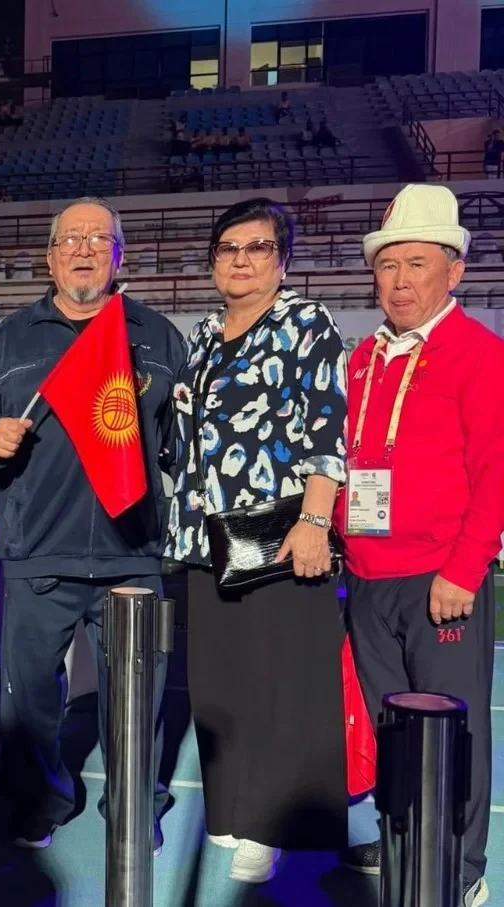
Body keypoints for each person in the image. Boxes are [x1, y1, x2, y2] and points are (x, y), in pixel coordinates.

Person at [0, 197, 186, 850]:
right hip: (38, 551)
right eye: (71, 239)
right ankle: (36, 804)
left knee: (137, 696)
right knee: (27, 698)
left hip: (131, 549)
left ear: (119, 255)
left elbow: (185, 439)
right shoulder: (10, 336)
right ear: (50, 257)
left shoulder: (158, 336)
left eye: (99, 239)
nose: (84, 249)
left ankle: (135, 806)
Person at [164, 198, 349, 884]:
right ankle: (231, 806)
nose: (241, 259)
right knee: (220, 684)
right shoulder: (205, 334)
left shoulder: (306, 323)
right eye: (228, 248)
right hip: (206, 538)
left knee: (279, 687)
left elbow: (328, 427)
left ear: (283, 259)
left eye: (258, 247)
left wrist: (315, 520)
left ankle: (271, 825)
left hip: (277, 533)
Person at [337, 184, 504, 907]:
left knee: (451, 730)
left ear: (454, 270)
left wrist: (464, 568)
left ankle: (460, 867)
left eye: (417, 264)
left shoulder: (481, 354)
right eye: (388, 265)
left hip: (441, 578)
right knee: (392, 729)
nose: (399, 281)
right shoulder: (362, 359)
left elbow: (496, 471)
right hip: (368, 576)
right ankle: (405, 836)